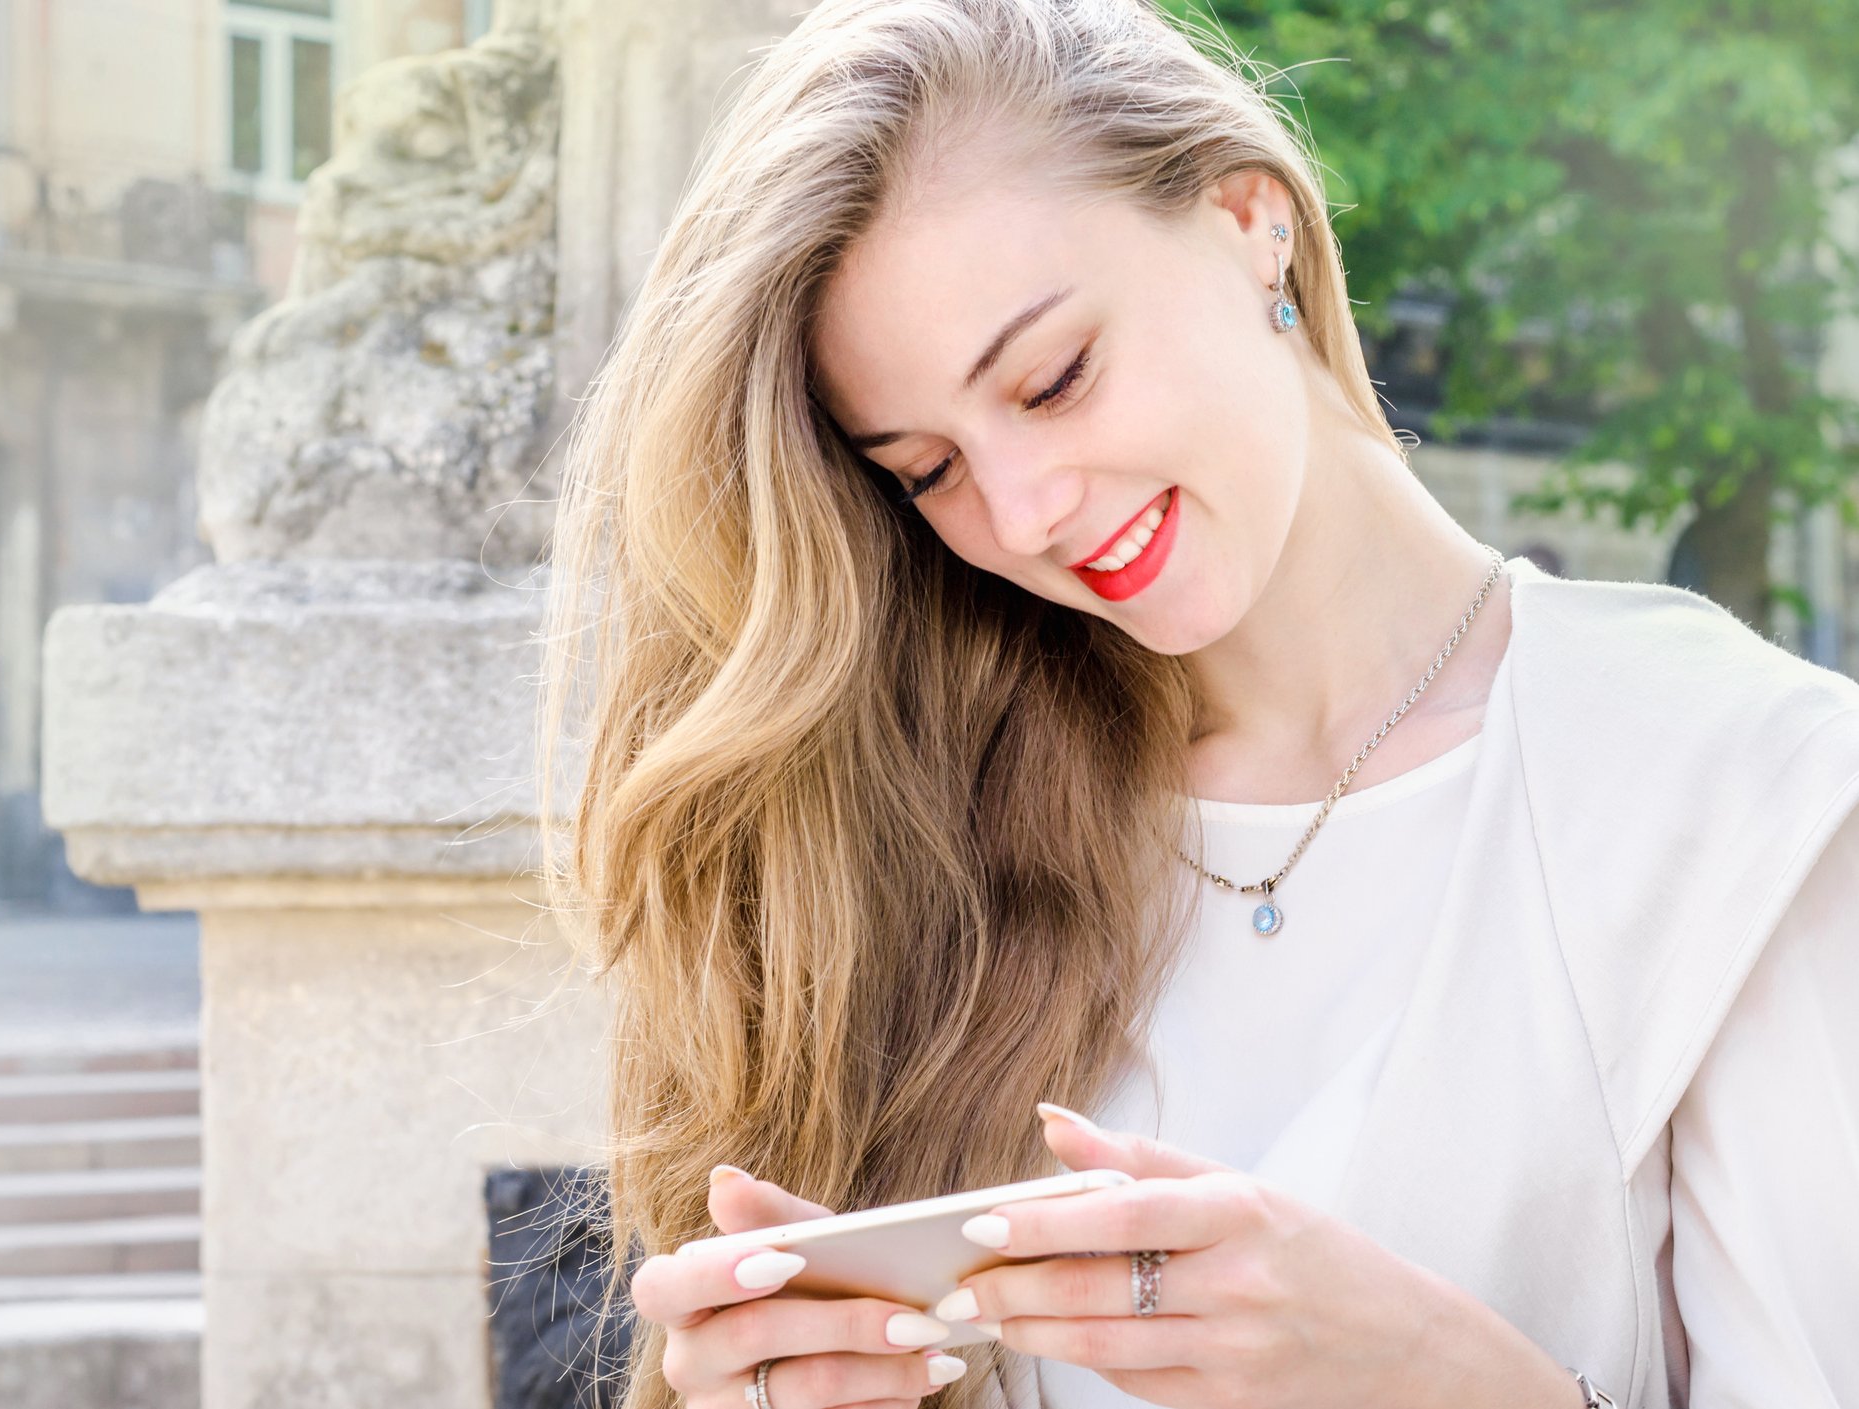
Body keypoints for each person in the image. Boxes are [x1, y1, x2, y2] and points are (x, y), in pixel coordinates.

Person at [532, 2, 1859, 1407]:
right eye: (929, 471)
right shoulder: (916, 842)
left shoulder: (1736, 793)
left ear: (1251, 224)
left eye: (1053, 380)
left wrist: (1442, 1379)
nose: (1024, 514)